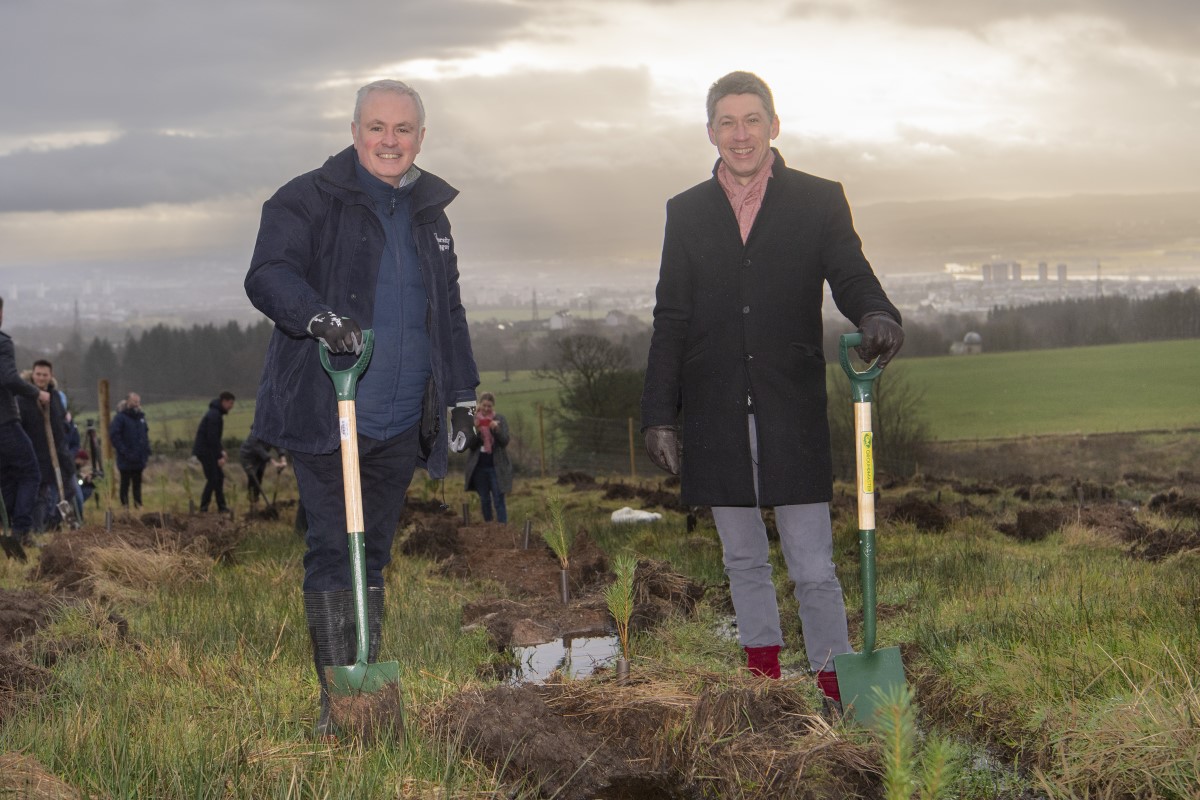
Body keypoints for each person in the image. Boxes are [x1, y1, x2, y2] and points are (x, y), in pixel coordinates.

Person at [640, 72, 905, 708]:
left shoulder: (818, 200)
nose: (740, 134)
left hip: (791, 406)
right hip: (713, 409)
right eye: (726, 122)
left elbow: (850, 273)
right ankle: (763, 678)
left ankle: (832, 680)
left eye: (751, 120)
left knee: (813, 564)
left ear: (774, 126)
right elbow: (671, 316)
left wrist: (878, 314)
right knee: (742, 560)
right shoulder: (686, 211)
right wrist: (659, 414)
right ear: (710, 132)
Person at [244, 79, 479, 737]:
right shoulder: (307, 198)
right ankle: (336, 696)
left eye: (403, 130)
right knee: (330, 546)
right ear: (355, 133)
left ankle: (365, 676)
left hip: (402, 416)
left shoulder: (431, 213)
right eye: (377, 127)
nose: (389, 141)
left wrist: (461, 394)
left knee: (372, 550)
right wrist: (315, 317)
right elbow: (267, 274)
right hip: (330, 409)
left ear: (421, 138)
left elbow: (449, 311)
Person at [0, 299, 50, 546]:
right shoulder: (2, 341)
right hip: (5, 422)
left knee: (7, 476)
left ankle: (10, 531)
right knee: (31, 472)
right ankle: (21, 532)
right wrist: (36, 392)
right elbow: (8, 377)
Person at [16, 360, 75, 532]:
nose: (41, 378)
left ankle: (53, 523)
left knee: (69, 489)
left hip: (59, 453)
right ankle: (37, 529)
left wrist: (66, 423)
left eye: (45, 375)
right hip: (36, 453)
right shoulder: (23, 399)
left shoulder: (55, 396)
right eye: (38, 374)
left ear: (51, 376)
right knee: (40, 495)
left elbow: (62, 422)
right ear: (32, 375)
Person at [463, 392, 511, 523]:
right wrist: (476, 430)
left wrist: (496, 429)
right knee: (484, 499)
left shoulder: (500, 419)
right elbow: (469, 445)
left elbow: (505, 441)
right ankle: (489, 526)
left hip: (496, 467)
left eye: (489, 406)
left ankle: (502, 527)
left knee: (498, 498)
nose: (486, 408)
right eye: (484, 405)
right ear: (480, 405)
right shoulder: (473, 421)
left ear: (493, 406)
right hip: (479, 468)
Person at [192, 391, 235, 513]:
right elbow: (212, 438)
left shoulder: (215, 414)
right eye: (231, 403)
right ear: (224, 401)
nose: (232, 406)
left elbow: (214, 438)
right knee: (213, 478)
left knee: (218, 477)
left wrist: (221, 451)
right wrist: (219, 456)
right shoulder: (214, 415)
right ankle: (204, 507)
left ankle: (221, 506)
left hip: (208, 450)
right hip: (206, 452)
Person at [109, 391, 151, 508]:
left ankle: (138, 504)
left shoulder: (141, 418)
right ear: (128, 402)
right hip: (126, 458)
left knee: (137, 483)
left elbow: (145, 434)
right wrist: (124, 451)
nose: (137, 403)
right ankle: (125, 506)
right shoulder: (120, 418)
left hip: (139, 458)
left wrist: (146, 450)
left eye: (138, 401)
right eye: (134, 401)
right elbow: (114, 436)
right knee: (125, 483)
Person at [239, 432, 287, 505]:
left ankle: (256, 501)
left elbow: (277, 443)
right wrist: (273, 462)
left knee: (259, 478)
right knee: (253, 479)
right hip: (248, 457)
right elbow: (257, 447)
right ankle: (252, 503)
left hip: (260, 459)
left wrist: (283, 458)